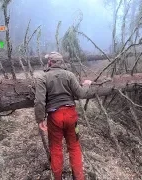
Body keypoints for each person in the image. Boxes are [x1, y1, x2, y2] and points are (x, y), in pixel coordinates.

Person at [34, 52, 92, 180]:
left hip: (54, 117)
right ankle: (79, 177)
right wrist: (87, 84)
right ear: (60, 63)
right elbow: (81, 93)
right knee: (75, 146)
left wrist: (40, 119)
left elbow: (39, 101)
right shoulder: (69, 75)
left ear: (50, 62)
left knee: (56, 148)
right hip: (71, 115)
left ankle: (58, 177)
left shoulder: (42, 77)